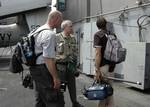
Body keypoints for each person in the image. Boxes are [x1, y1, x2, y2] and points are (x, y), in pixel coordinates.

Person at [29, 10, 64, 107]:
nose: (60, 23)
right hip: (43, 70)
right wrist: (55, 78)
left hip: (35, 69)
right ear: (55, 18)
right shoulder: (49, 34)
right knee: (54, 100)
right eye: (60, 20)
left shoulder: (36, 31)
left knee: (40, 99)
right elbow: (48, 58)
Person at [55, 20, 83, 107]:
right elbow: (52, 52)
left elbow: (75, 52)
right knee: (61, 87)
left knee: (72, 86)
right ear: (65, 27)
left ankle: (75, 103)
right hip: (61, 67)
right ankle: (60, 103)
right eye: (70, 26)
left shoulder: (73, 38)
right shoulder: (57, 37)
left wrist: (76, 66)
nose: (72, 28)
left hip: (71, 66)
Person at [93, 16, 115, 107]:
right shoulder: (112, 35)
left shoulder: (98, 35)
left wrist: (97, 69)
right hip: (112, 66)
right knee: (110, 90)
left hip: (103, 66)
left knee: (102, 91)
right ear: (106, 24)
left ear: (97, 26)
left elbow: (98, 53)